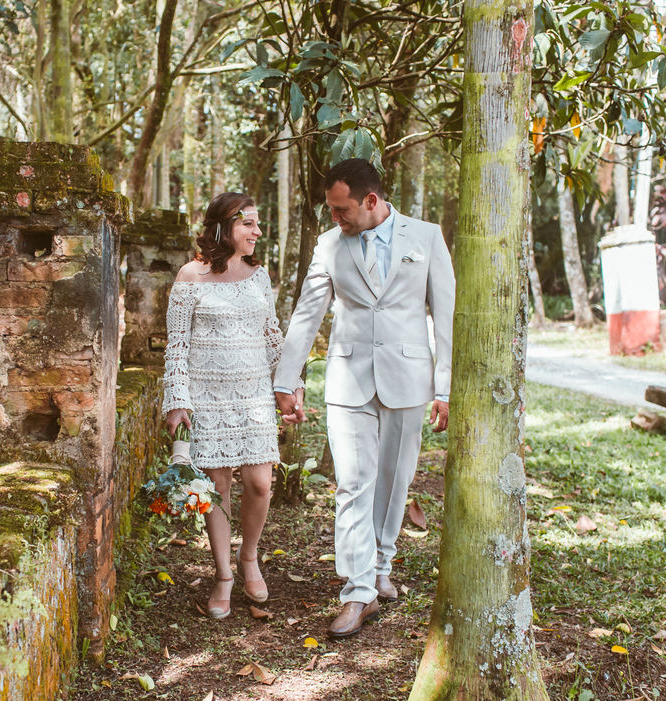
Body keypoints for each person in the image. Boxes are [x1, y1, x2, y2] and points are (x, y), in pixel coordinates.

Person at [274, 158, 455, 639]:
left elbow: (447, 314)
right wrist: (285, 378)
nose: (335, 218)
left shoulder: (427, 237)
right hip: (348, 378)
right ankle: (356, 592)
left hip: (408, 378)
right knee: (352, 483)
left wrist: (445, 387)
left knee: (395, 482)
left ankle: (380, 568)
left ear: (371, 201)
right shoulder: (330, 245)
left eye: (341, 209)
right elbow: (308, 310)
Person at [162, 192, 283, 620]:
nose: (257, 232)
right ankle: (224, 576)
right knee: (217, 489)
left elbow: (272, 337)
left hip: (253, 398)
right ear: (224, 227)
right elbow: (176, 347)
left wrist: (289, 386)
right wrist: (177, 402)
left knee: (260, 484)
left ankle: (249, 556)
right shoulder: (189, 276)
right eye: (248, 223)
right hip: (207, 397)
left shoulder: (259, 276)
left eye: (257, 223)